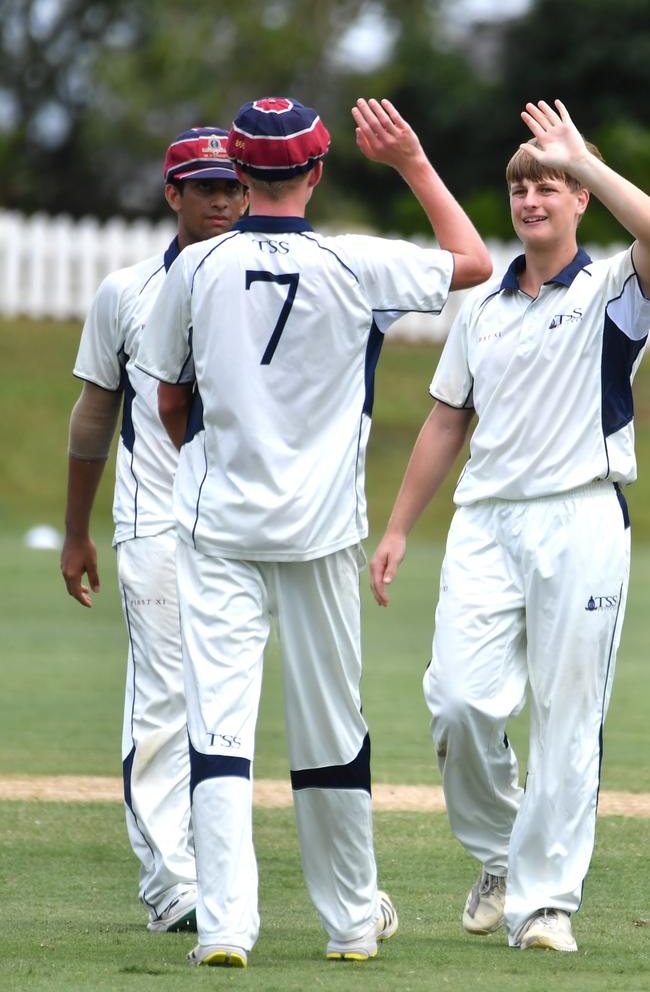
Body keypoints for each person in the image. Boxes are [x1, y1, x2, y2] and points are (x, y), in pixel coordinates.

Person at [134, 95, 491, 968]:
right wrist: (409, 160)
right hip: (325, 531)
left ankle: (224, 928)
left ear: (241, 172)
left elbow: (171, 397)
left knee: (217, 730)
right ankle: (348, 926)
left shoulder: (196, 266)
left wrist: (219, 470)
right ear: (318, 171)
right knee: (332, 728)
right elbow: (473, 261)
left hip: (218, 527)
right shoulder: (357, 261)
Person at [370, 99, 650, 953]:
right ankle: (499, 851)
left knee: (569, 714)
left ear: (580, 203)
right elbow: (448, 421)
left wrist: (588, 160)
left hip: (582, 515)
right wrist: (396, 528)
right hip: (486, 521)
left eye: (551, 186)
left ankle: (544, 903)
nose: (532, 199)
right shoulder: (484, 308)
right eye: (523, 186)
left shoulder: (614, 289)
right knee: (455, 701)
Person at [60, 127, 249, 932]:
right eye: (204, 187)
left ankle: (231, 877)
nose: (220, 201)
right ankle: (172, 882)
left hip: (250, 528)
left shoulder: (273, 283)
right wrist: (75, 531)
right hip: (156, 522)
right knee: (166, 702)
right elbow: (95, 410)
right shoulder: (126, 291)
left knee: (236, 710)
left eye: (232, 186)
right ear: (172, 194)